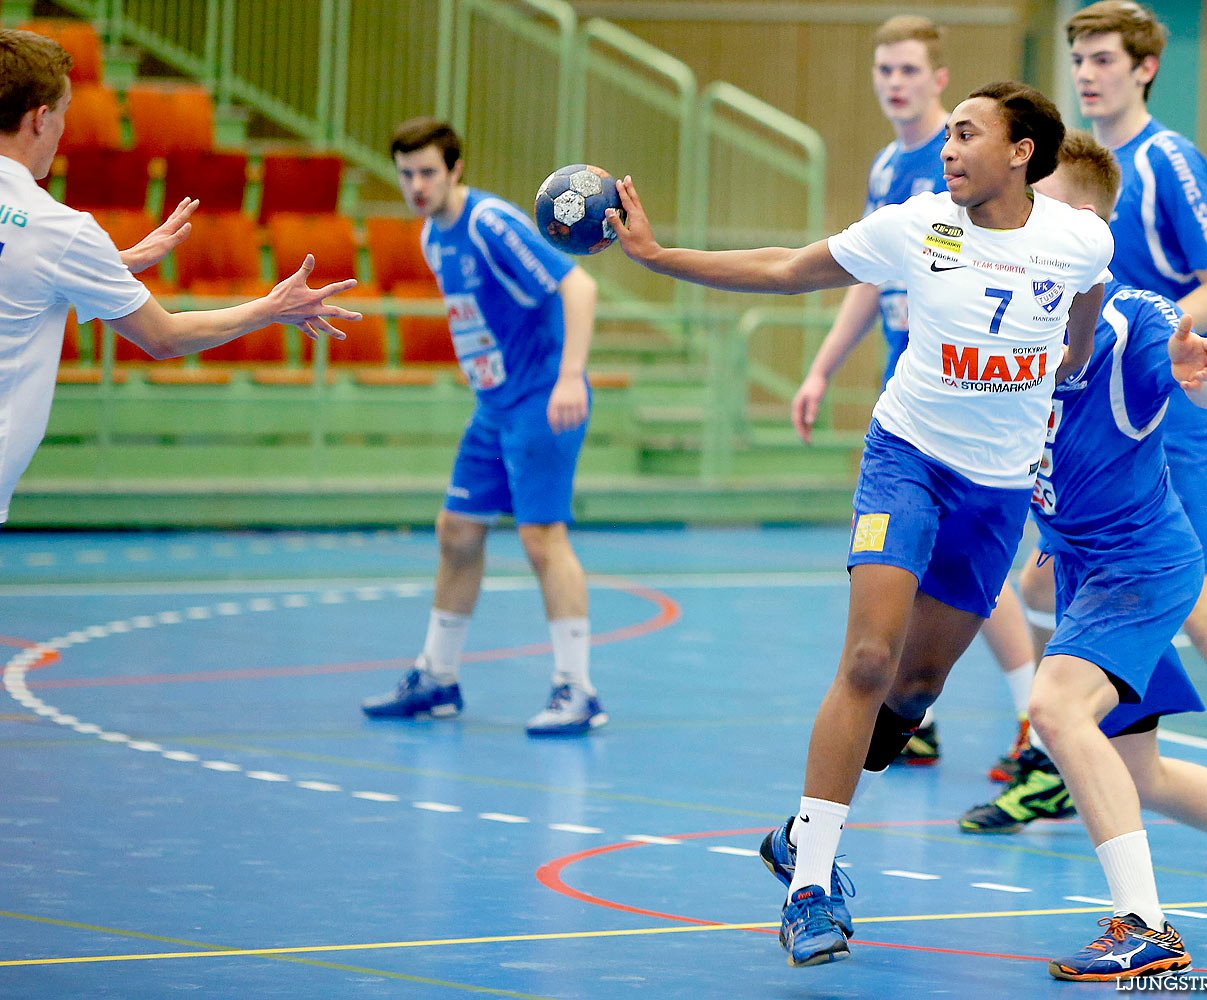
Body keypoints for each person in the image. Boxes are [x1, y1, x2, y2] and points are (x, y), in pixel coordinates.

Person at [610, 81, 1113, 968]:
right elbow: (784, 268)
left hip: (996, 491)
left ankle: (798, 832)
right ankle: (811, 885)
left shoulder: (1078, 240)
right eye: (947, 135)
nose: (948, 149)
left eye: (966, 134)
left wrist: (1062, 376)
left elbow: (1087, 307)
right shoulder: (919, 224)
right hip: (908, 458)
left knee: (914, 689)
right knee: (869, 660)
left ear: (1022, 151)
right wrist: (658, 256)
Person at [959, 131, 1207, 981]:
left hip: (1142, 567)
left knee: (1058, 709)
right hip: (1087, 569)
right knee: (1137, 771)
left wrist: (1202, 374)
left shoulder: (1137, 321)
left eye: (1047, 206)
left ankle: (1143, 925)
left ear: (1090, 227)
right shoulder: (1012, 317)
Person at [984, 0, 1207, 874]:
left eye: (1104, 58)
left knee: (1205, 601)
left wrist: (1156, 340)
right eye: (1079, 57)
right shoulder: (1065, 166)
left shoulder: (1166, 161)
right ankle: (1075, 738)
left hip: (1171, 394)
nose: (1088, 72)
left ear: (1143, 68)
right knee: (1046, 576)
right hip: (1098, 401)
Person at [787, 15, 1039, 775]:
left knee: (974, 578)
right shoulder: (886, 168)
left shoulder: (965, 168)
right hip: (917, 403)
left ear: (936, 80)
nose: (893, 83)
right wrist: (823, 366)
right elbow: (871, 272)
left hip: (983, 405)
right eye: (883, 70)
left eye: (907, 71)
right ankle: (911, 714)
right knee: (909, 576)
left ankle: (1038, 722)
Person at [0, 29, 360, 526]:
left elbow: (15, 267)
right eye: (62, 113)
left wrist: (113, 262)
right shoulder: (57, 229)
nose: (63, 128)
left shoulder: (52, 238)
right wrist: (270, 308)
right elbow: (163, 338)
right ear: (41, 119)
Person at [359, 118, 605, 737]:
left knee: (542, 538)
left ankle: (577, 689)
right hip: (493, 407)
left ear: (455, 170)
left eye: (428, 173)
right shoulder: (430, 238)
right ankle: (438, 677)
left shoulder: (490, 223)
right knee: (457, 530)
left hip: (542, 398)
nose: (416, 185)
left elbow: (578, 284)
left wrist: (571, 376)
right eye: (406, 173)